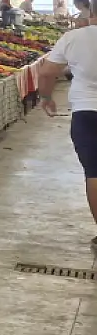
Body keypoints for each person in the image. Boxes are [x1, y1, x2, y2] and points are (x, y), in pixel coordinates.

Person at [34, 27, 97, 249]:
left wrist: (46, 97)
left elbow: (46, 72)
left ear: (91, 13)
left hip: (87, 112)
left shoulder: (74, 37)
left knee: (94, 173)